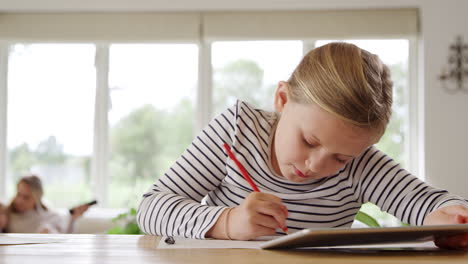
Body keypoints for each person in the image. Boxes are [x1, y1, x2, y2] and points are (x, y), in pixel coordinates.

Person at [136, 42, 468, 249]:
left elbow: (432, 203)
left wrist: (452, 218)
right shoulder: (237, 131)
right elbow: (151, 209)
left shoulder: (361, 165)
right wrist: (227, 223)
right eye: (308, 140)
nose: (316, 165)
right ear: (282, 99)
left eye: (340, 157)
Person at [6, 175, 91, 233]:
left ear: (37, 199)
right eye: (18, 194)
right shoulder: (6, 214)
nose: (19, 200)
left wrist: (72, 219)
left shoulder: (49, 217)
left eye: (26, 197)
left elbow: (64, 237)